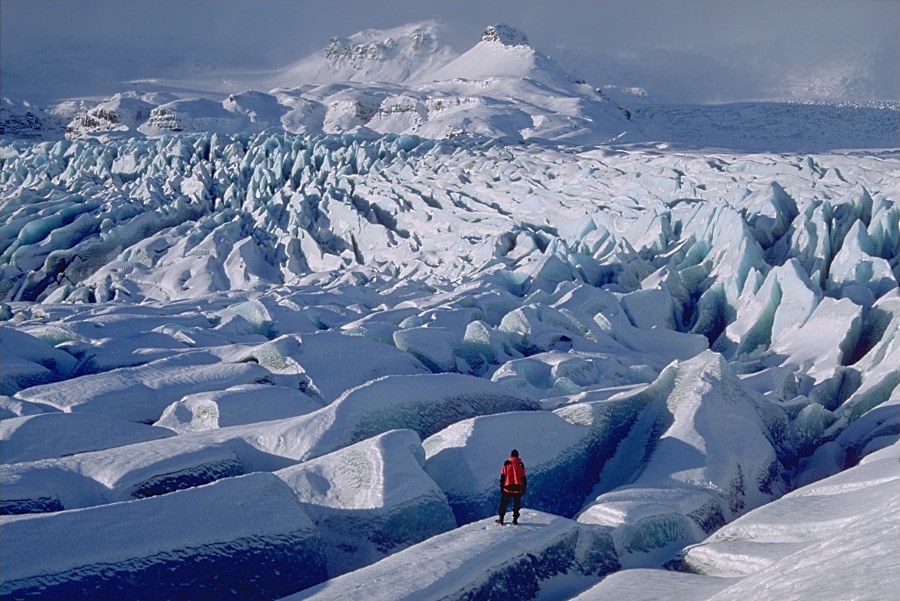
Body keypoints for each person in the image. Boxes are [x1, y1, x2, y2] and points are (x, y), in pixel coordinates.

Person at [496, 449, 526, 525]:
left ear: (511, 455)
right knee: (516, 505)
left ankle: (501, 519)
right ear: (518, 456)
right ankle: (515, 520)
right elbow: (523, 478)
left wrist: (502, 487)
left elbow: (503, 477)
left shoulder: (506, 464)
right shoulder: (520, 464)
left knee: (503, 504)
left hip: (507, 488)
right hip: (518, 488)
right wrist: (523, 489)